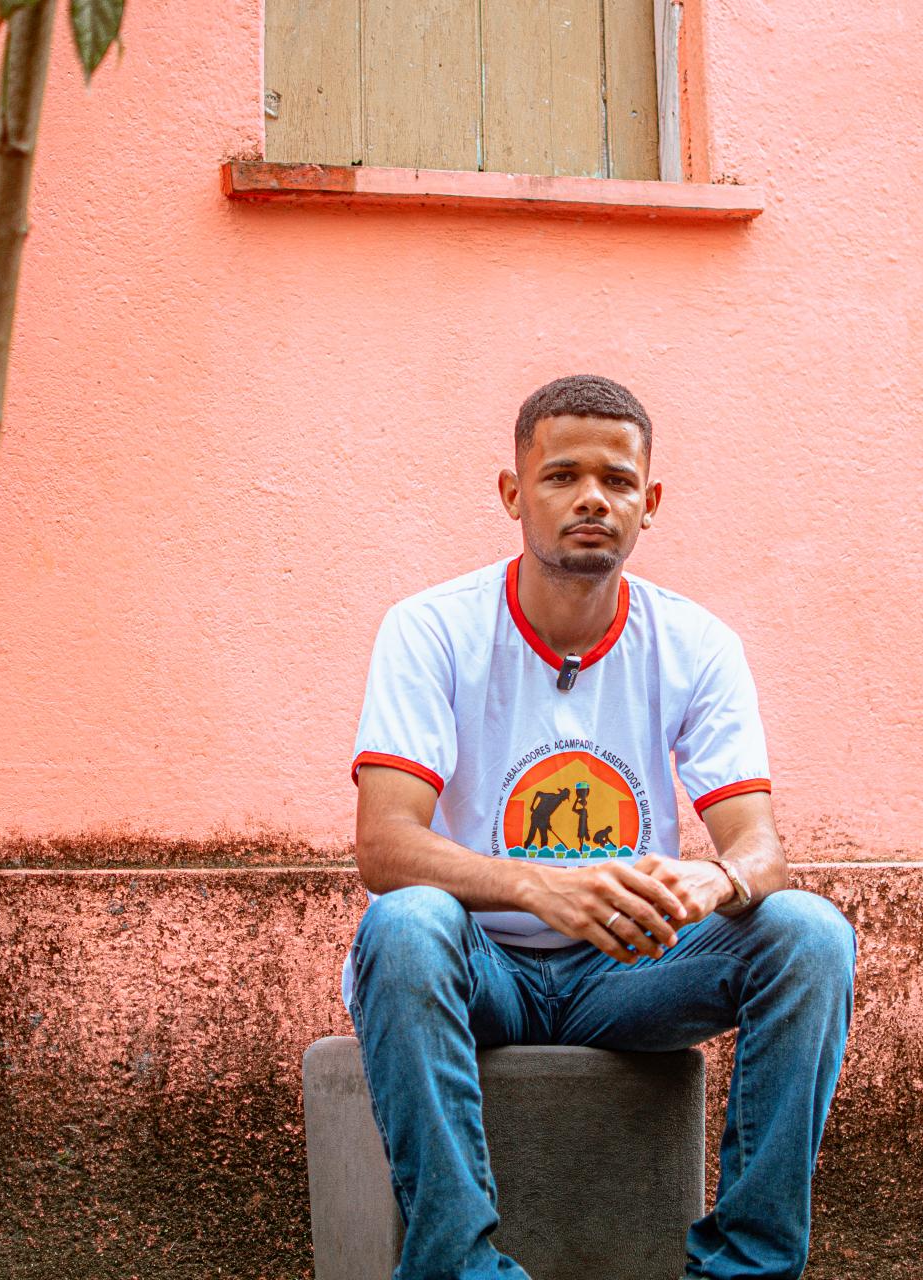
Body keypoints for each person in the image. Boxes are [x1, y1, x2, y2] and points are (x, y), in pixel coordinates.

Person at [345, 374, 857, 1280]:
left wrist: (715, 881)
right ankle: (462, 1271)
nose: (592, 499)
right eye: (563, 476)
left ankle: (746, 1270)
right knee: (405, 924)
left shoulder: (696, 643)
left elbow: (761, 850)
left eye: (617, 481)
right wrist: (540, 886)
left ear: (648, 504)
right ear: (514, 494)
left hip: (630, 970)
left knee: (808, 933)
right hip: (486, 967)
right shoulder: (431, 630)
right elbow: (384, 845)